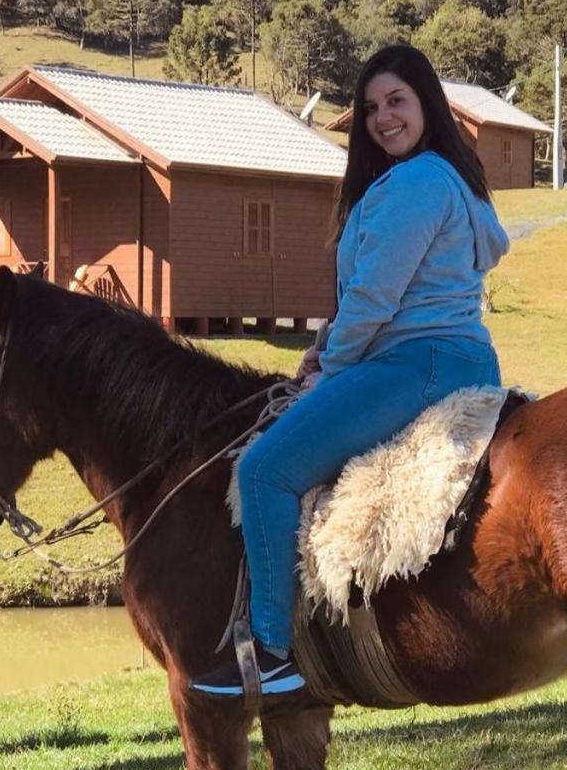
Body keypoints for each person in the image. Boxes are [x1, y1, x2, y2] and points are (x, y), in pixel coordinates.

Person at [192, 44, 510, 698]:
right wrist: (322, 349)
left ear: (427, 103)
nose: (381, 117)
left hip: (413, 361)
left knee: (265, 470)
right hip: (455, 354)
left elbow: (374, 298)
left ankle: (271, 657)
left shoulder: (416, 182)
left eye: (396, 101)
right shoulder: (450, 178)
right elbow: (382, 292)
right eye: (369, 108)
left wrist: (329, 372)